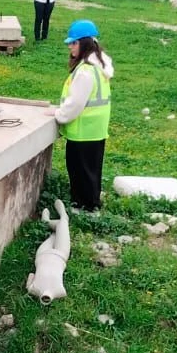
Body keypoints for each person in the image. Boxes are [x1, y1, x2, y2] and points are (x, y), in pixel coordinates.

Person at [54, 20, 113, 212]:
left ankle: (85, 207)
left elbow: (76, 104)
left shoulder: (86, 72)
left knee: (80, 171)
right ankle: (90, 202)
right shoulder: (99, 65)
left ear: (85, 43)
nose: (70, 47)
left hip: (83, 130)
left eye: (74, 43)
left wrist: (59, 114)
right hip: (95, 129)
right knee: (91, 170)